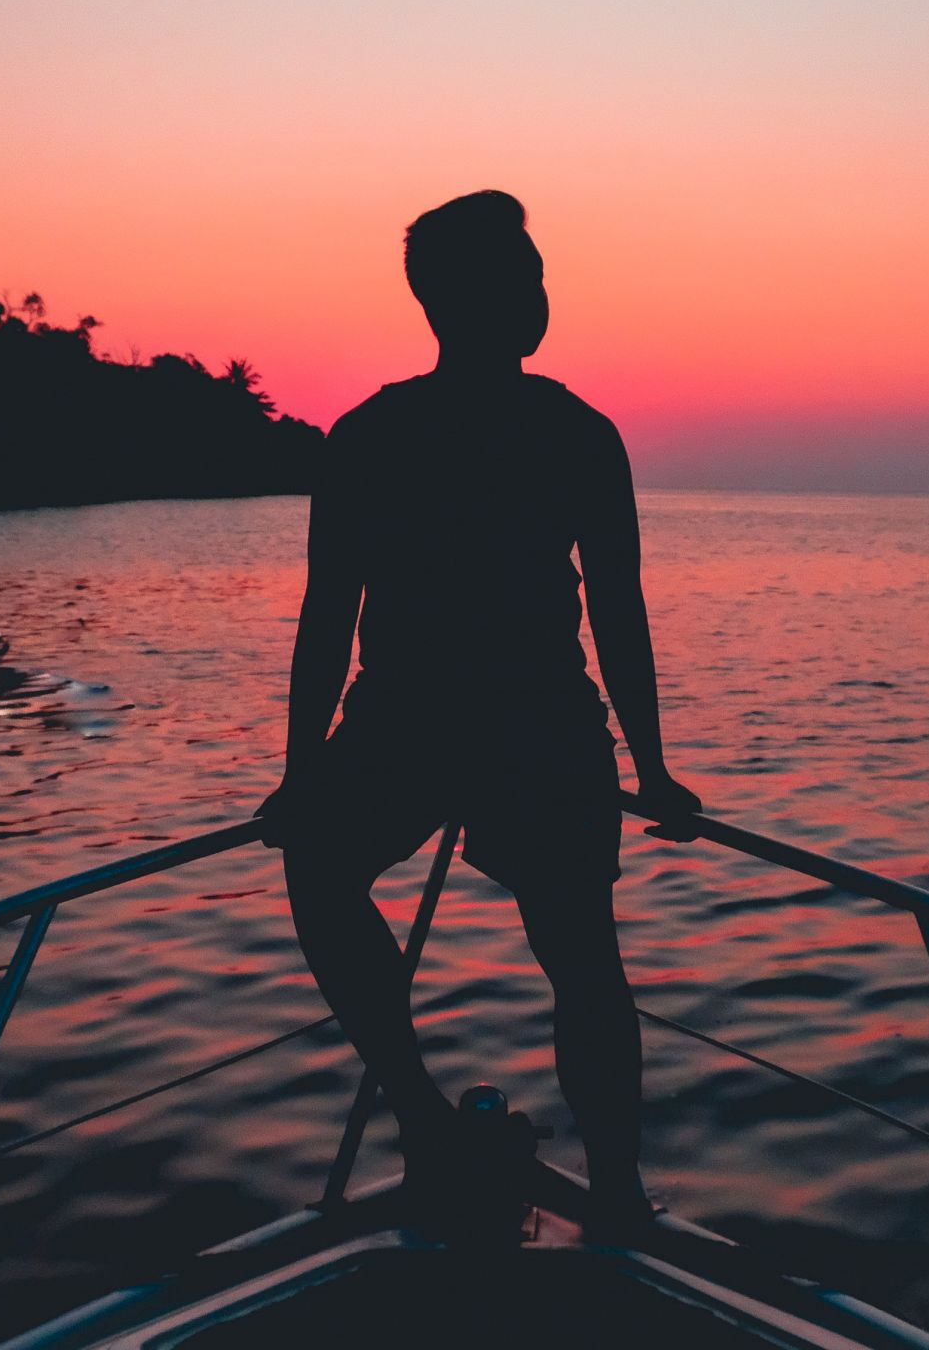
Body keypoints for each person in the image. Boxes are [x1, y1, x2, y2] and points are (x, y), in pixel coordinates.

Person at [258, 189, 700, 1228]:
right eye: (529, 276)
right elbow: (619, 614)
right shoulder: (572, 433)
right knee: (580, 952)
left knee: (333, 875)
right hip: (512, 724)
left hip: (443, 722)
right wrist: (649, 767)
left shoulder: (373, 433)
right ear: (483, 298)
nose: (544, 293)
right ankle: (609, 1190)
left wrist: (303, 764)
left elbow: (329, 618)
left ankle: (434, 1118)